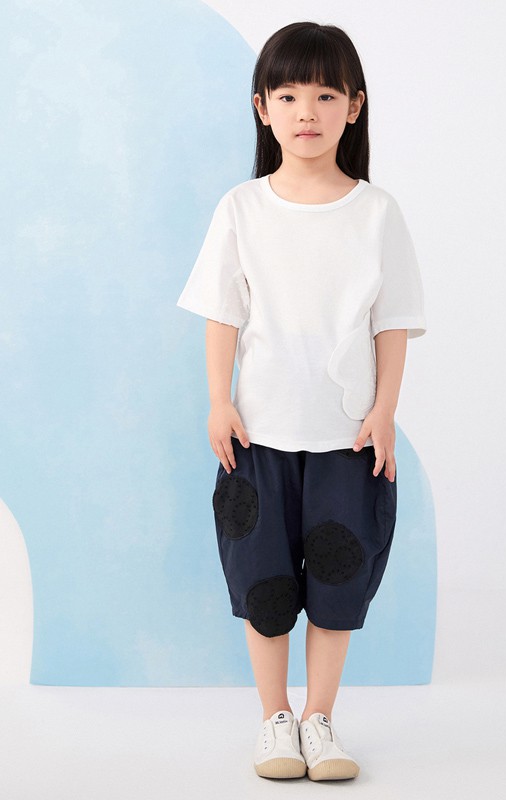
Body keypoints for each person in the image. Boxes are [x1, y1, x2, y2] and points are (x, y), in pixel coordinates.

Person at [176, 21, 427, 782]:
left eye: (324, 94)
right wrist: (218, 402)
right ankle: (274, 720)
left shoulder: (376, 212)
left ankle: (320, 718)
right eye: (287, 95)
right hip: (258, 434)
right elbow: (223, 315)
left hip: (347, 438)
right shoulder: (242, 209)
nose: (306, 111)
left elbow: (392, 322)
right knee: (264, 582)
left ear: (354, 106)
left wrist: (383, 411)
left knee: (338, 581)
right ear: (262, 107)